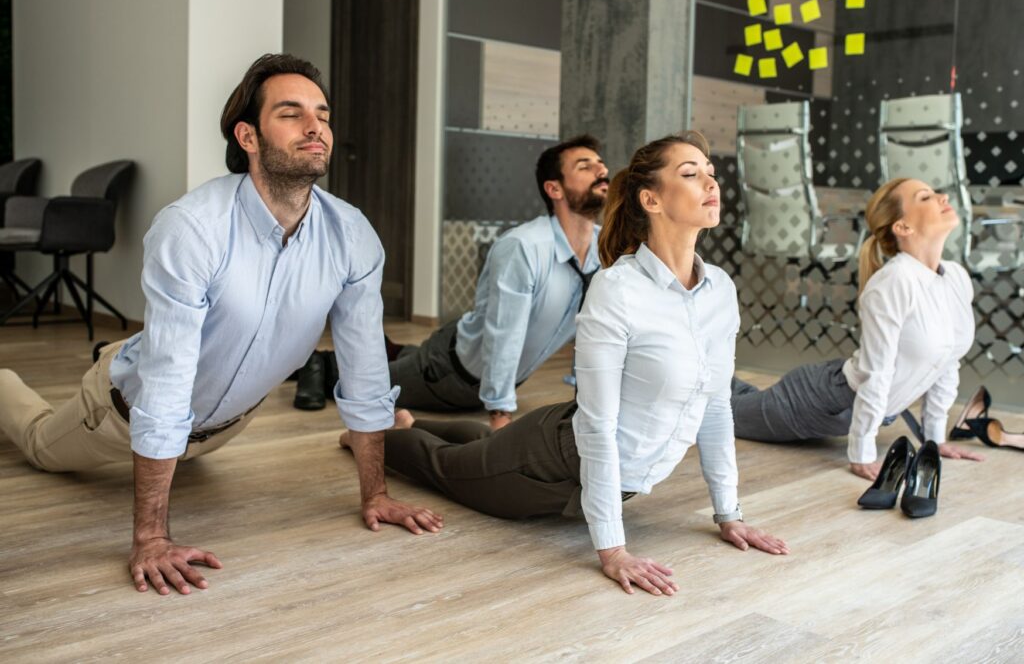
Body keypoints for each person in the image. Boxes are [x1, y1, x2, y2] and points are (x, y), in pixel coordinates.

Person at [0, 53, 442, 597]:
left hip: (225, 423)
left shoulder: (352, 234)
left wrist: (375, 495)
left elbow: (367, 373)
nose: (316, 127)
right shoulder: (192, 228)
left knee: (185, 428)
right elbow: (163, 388)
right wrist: (150, 538)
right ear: (248, 136)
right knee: (42, 446)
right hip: (118, 412)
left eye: (322, 114)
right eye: (290, 113)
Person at [344, 132, 788, 596]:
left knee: (479, 447)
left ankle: (417, 422)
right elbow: (597, 425)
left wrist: (729, 515)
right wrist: (613, 549)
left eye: (710, 174)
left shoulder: (719, 289)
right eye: (691, 174)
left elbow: (715, 407)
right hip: (552, 463)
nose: (711, 184)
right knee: (444, 467)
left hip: (587, 460)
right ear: (650, 199)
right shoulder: (618, 288)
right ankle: (373, 436)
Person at [297, 135, 609, 430]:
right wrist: (500, 417)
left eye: (600, 163)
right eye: (585, 166)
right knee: (369, 382)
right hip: (452, 375)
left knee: (411, 361)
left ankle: (395, 350)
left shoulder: (604, 249)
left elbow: (594, 330)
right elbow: (505, 334)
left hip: (477, 357)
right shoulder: (525, 248)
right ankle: (321, 363)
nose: (602, 169)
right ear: (554, 189)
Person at [731, 176, 985, 480]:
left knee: (734, 401)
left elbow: (947, 362)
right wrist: (862, 452)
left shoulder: (955, 277)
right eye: (925, 197)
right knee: (716, 415)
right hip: (818, 402)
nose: (943, 197)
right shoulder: (894, 281)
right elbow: (876, 371)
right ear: (902, 227)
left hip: (847, 406)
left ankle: (707, 374)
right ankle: (688, 373)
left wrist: (934, 441)